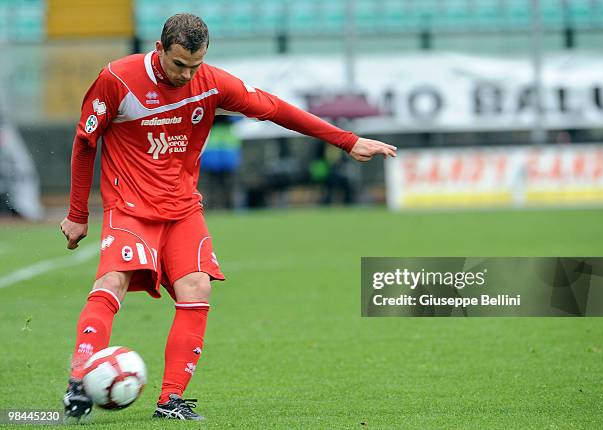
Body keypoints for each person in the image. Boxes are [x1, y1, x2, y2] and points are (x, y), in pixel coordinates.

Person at [60, 13, 397, 421]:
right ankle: (80, 377)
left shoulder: (213, 83)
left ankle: (169, 401)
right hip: (130, 208)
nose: (187, 75)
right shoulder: (118, 78)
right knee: (112, 279)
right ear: (159, 49)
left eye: (195, 65)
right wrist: (78, 213)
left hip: (183, 208)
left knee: (197, 288)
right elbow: (85, 142)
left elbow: (274, 108)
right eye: (178, 64)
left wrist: (347, 140)